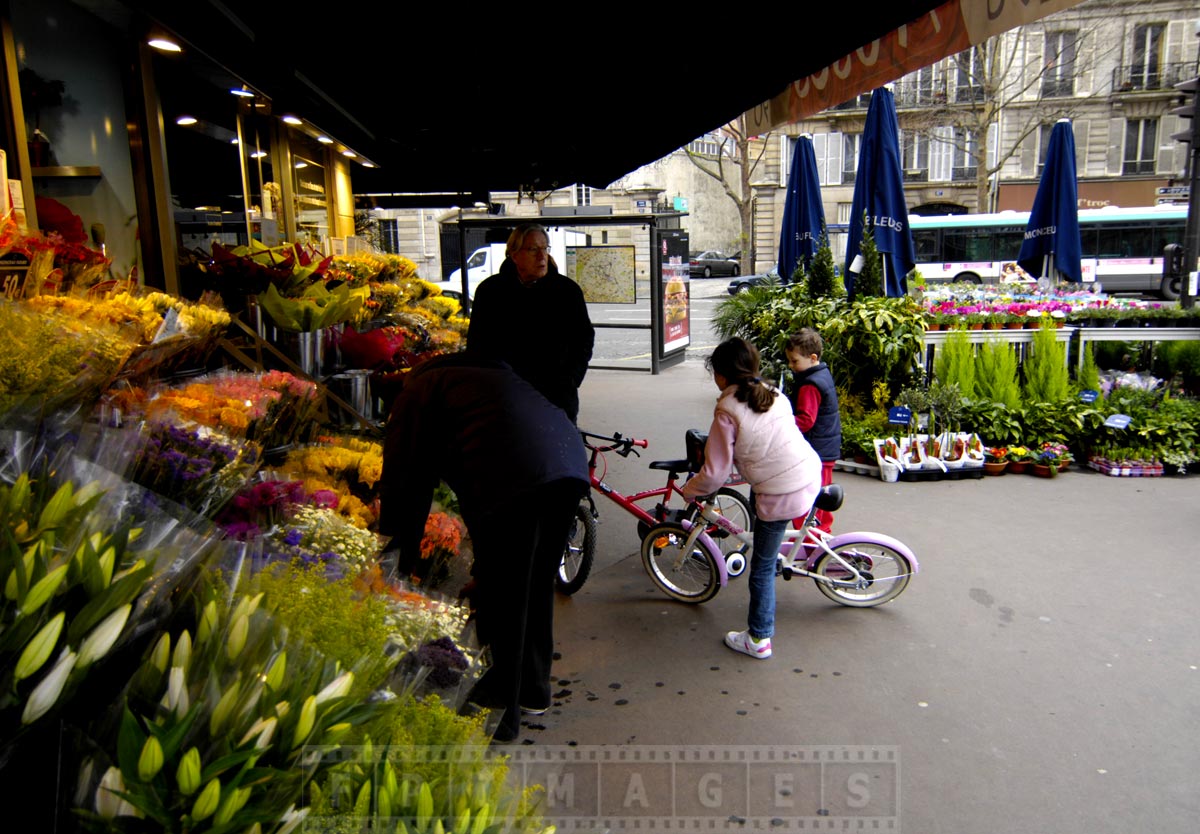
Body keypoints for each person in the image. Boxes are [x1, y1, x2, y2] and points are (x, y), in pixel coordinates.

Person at [378, 353, 588, 742]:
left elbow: (406, 481)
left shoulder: (417, 391)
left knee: (502, 596)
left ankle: (498, 715)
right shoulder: (479, 375)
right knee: (536, 581)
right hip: (567, 466)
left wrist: (395, 561)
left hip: (516, 479)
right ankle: (532, 690)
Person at [681, 338, 821, 660]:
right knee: (767, 542)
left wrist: (691, 489)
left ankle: (759, 638)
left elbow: (715, 473)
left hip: (781, 491)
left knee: (760, 568)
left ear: (720, 375)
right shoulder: (774, 393)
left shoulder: (727, 410)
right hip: (808, 474)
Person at [466, 224, 595, 423]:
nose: (542, 256)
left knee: (557, 451)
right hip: (506, 395)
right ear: (514, 254)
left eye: (545, 248)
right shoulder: (491, 291)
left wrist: (571, 380)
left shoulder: (567, 291)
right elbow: (477, 345)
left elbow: (584, 338)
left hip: (556, 396)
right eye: (533, 249)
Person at [785, 329, 842, 532]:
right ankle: (822, 535)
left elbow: (805, 420)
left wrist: (782, 422)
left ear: (812, 358)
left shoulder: (810, 384)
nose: (791, 366)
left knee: (808, 498)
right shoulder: (821, 374)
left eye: (794, 361)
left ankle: (809, 540)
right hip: (825, 448)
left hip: (816, 450)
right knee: (822, 496)